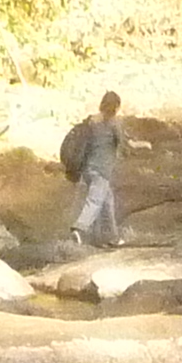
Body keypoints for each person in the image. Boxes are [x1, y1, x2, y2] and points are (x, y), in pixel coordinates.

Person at [60, 90, 125, 247]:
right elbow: (124, 145)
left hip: (87, 169)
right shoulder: (113, 124)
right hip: (102, 171)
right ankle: (79, 229)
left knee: (107, 202)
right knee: (95, 202)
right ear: (116, 107)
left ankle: (111, 237)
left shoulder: (90, 122)